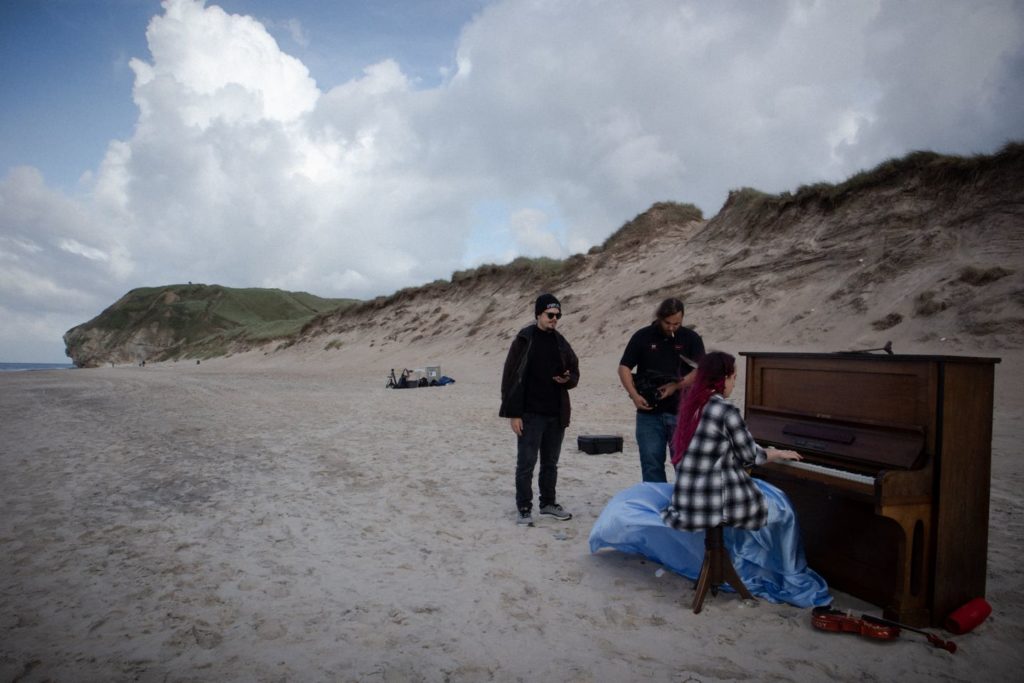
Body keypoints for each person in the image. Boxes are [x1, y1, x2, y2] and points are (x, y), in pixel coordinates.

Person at [662, 351, 802, 531]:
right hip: (712, 505)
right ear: (725, 378)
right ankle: (772, 559)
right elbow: (750, 456)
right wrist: (777, 452)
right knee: (782, 507)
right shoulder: (725, 410)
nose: (734, 384)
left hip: (686, 502)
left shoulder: (692, 406)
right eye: (734, 378)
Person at [500, 293, 580, 526]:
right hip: (530, 413)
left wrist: (567, 379)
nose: (554, 319)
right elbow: (510, 378)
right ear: (538, 314)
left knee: (550, 463)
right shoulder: (524, 339)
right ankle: (524, 507)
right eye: (550, 315)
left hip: (556, 413)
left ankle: (548, 503)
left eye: (558, 315)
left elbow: (575, 371)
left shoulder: (561, 342)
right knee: (526, 463)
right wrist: (513, 414)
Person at [618, 298, 705, 483]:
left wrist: (676, 386)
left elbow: (701, 370)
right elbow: (624, 368)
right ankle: (655, 507)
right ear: (659, 317)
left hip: (682, 412)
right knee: (651, 464)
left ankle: (684, 507)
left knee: (685, 465)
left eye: (677, 324)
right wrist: (634, 395)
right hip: (649, 413)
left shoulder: (691, 338)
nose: (672, 327)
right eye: (668, 323)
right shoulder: (642, 336)